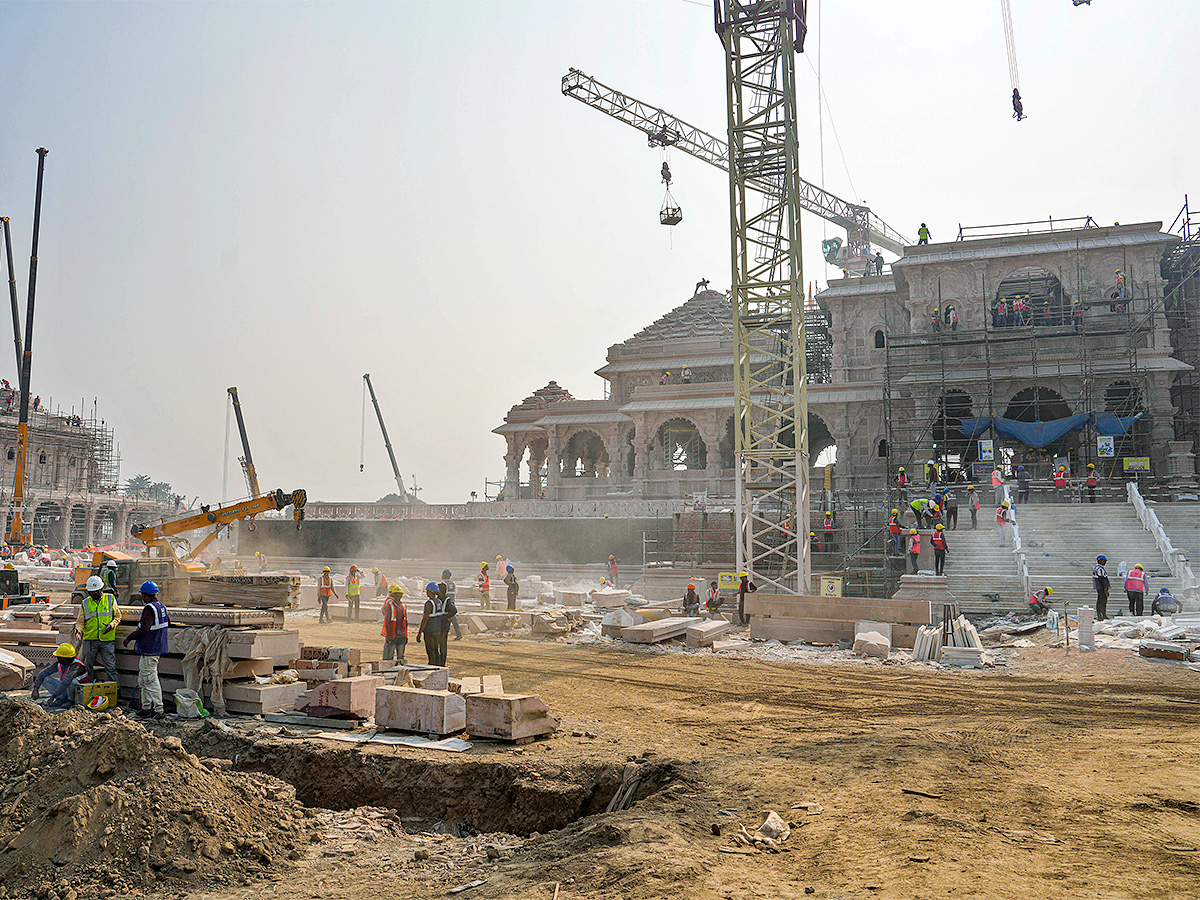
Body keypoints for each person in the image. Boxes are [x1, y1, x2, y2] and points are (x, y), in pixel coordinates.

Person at [122, 580, 169, 718]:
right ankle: (146, 708)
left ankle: (159, 710)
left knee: (150, 680)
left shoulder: (149, 608)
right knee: (143, 679)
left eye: (142, 595)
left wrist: (129, 637)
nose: (142, 597)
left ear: (145, 595)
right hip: (155, 648)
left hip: (150, 648)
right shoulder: (161, 607)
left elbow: (144, 629)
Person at [73, 575, 120, 687]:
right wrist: (78, 631)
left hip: (107, 640)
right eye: (91, 592)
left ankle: (115, 691)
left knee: (110, 667)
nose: (93, 594)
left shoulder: (110, 599)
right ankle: (88, 690)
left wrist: (112, 625)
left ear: (101, 589)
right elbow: (80, 621)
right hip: (90, 640)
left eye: (95, 591)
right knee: (87, 667)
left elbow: (117, 616)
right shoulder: (85, 603)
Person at [31, 643, 89, 708]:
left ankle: (71, 701)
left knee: (71, 681)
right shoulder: (60, 663)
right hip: (67, 690)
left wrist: (53, 697)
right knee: (45, 678)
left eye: (58, 657)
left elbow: (67, 681)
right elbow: (43, 673)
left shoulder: (77, 666)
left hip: (80, 693)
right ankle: (62, 699)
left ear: (63, 658)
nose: (57, 658)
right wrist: (35, 688)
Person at [417, 581, 455, 667]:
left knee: (431, 651)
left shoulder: (429, 603)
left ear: (430, 591)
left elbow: (425, 618)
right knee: (436, 650)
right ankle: (439, 666)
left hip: (430, 630)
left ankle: (433, 667)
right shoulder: (439, 602)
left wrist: (420, 632)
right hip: (437, 630)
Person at [381, 583, 408, 663]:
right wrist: (389, 635)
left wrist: (406, 636)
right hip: (393, 635)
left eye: (399, 594)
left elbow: (405, 622)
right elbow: (388, 622)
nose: (398, 596)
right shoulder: (390, 605)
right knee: (389, 657)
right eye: (396, 594)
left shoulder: (403, 606)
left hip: (401, 635)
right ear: (393, 595)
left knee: (400, 657)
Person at [441, 569, 463, 640]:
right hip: (452, 603)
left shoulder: (444, 584)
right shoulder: (453, 583)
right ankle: (458, 634)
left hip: (446, 604)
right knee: (454, 620)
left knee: (443, 619)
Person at [1093, 555, 1111, 620]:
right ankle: (1101, 615)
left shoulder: (1098, 568)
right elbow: (1102, 579)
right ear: (1100, 560)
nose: (1105, 562)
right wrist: (1105, 589)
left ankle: (1102, 615)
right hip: (1101, 588)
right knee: (1102, 602)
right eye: (1104, 561)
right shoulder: (1099, 569)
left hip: (1101, 588)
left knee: (1101, 601)